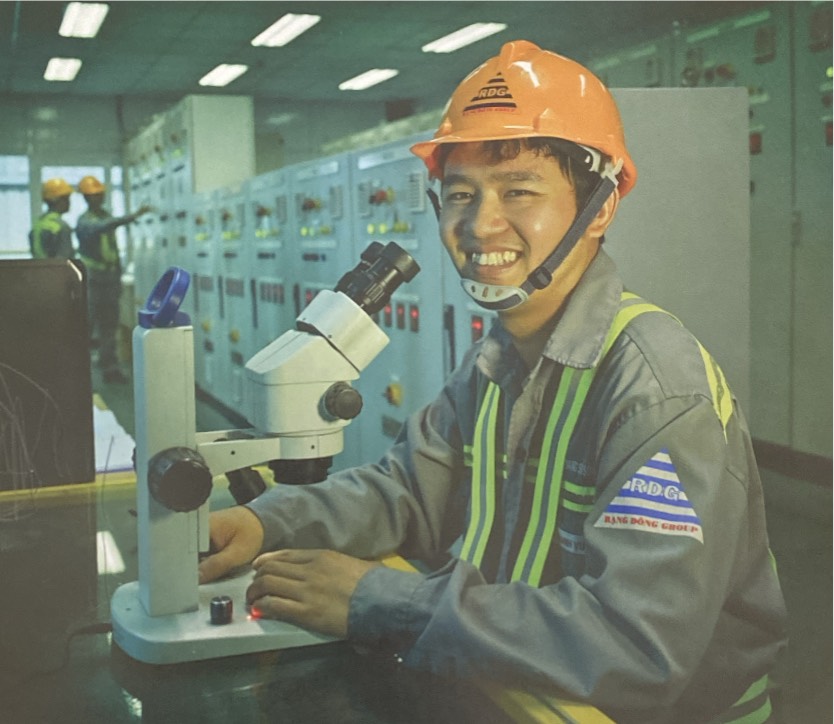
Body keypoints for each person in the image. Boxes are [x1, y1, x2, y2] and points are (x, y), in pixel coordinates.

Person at [198, 41, 787, 723]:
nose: (480, 225)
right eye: (460, 195)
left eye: (519, 191)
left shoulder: (657, 389)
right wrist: (264, 521)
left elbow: (635, 645)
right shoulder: (500, 357)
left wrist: (379, 601)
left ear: (599, 208)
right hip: (520, 691)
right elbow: (407, 491)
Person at [75, 175, 151, 384]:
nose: (97, 198)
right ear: (85, 198)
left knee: (109, 325)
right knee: (88, 326)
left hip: (110, 279)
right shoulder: (85, 221)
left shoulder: (105, 215)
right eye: (92, 195)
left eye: (99, 194)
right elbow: (103, 226)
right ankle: (79, 373)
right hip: (92, 281)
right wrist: (133, 216)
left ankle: (110, 368)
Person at [29, 177, 75, 259]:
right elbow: (65, 260)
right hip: (56, 267)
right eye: (66, 198)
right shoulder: (61, 226)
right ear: (56, 200)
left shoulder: (39, 224)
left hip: (39, 267)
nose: (69, 202)